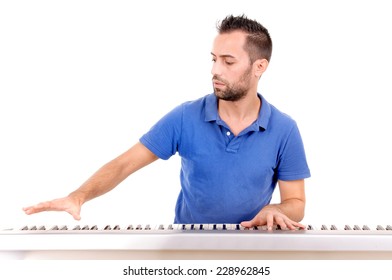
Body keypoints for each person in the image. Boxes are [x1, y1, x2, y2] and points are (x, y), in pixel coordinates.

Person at [23, 14, 311, 230]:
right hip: (187, 246)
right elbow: (125, 163)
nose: (215, 70)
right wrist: (79, 196)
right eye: (213, 59)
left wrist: (277, 208)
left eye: (228, 61)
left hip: (254, 250)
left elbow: (296, 203)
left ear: (259, 66)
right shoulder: (185, 117)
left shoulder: (284, 129)